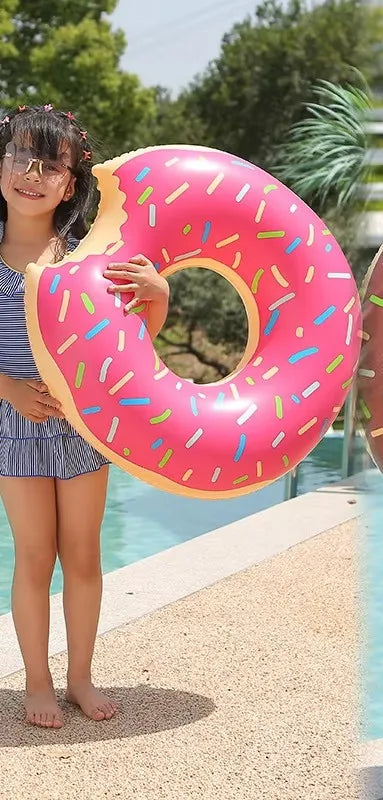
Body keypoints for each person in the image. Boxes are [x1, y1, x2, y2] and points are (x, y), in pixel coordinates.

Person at [0, 104, 169, 728]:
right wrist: (9, 390)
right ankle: (37, 685)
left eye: (51, 165)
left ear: (70, 184)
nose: (32, 173)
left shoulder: (87, 260)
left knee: (84, 555)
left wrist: (159, 296)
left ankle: (79, 678)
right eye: (20, 156)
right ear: (0, 165)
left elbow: (132, 350)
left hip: (83, 429)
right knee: (33, 556)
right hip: (13, 430)